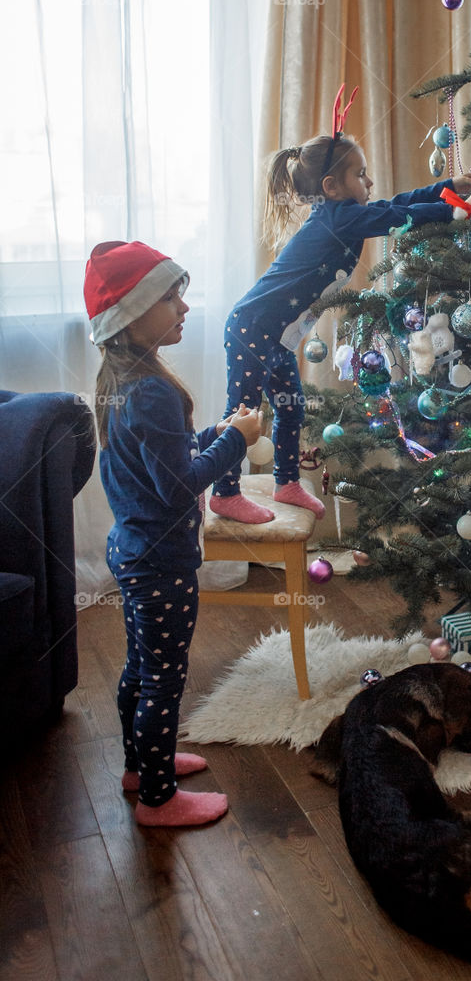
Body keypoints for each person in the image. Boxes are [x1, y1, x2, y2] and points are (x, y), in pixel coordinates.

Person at [210, 87, 471, 524]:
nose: (369, 183)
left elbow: (392, 205)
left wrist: (447, 188)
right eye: (361, 174)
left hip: (276, 334)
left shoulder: (343, 215)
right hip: (252, 325)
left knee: (290, 407)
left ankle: (286, 481)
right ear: (331, 187)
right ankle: (223, 493)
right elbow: (393, 217)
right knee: (242, 415)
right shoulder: (338, 218)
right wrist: (453, 211)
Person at [84, 239, 264, 827]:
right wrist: (237, 440)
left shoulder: (122, 380)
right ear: (132, 316)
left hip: (132, 549)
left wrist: (218, 428)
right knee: (165, 678)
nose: (183, 306)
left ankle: (141, 768)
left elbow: (162, 458)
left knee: (141, 667)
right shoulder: (154, 390)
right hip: (161, 564)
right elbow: (180, 485)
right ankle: (158, 800)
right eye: (169, 297)